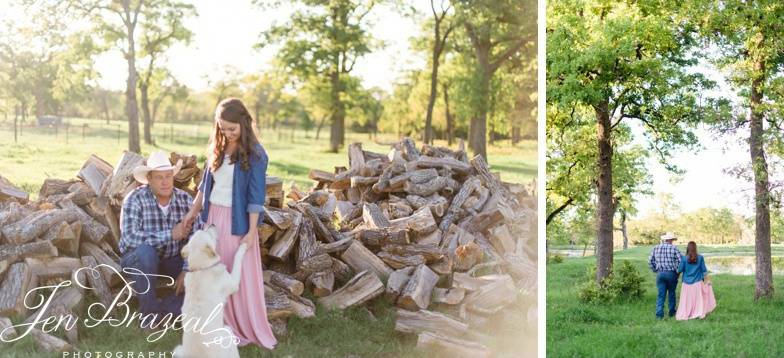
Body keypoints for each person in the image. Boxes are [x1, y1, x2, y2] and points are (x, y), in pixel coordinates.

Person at [183, 98, 277, 349]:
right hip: (212, 217)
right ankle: (217, 324)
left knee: (236, 274)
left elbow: (256, 196)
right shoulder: (218, 148)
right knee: (214, 272)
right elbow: (205, 186)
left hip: (237, 222)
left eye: (232, 129)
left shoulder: (256, 155)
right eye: (222, 128)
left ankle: (242, 326)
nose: (226, 133)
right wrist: (193, 212)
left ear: (244, 124)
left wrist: (251, 231)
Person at [119, 151, 193, 320]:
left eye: (168, 176)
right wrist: (169, 235)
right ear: (149, 179)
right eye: (159, 177)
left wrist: (187, 268)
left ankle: (164, 309)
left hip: (171, 259)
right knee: (146, 252)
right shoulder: (135, 198)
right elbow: (129, 239)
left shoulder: (184, 199)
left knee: (202, 275)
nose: (165, 182)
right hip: (137, 260)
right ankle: (149, 316)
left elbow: (195, 238)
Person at [676, 241, 717, 320]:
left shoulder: (684, 258)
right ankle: (697, 311)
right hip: (697, 283)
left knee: (686, 300)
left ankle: (688, 312)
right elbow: (704, 271)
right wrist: (707, 280)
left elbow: (679, 270)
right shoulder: (700, 257)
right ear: (695, 248)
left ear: (688, 248)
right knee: (697, 299)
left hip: (686, 284)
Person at [648, 232, 682, 319]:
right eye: (672, 240)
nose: (673, 242)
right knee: (671, 293)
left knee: (661, 294)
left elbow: (650, 261)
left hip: (660, 273)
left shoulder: (656, 248)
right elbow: (680, 261)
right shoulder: (674, 248)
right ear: (670, 240)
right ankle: (671, 312)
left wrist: (655, 270)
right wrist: (677, 271)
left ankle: (659, 314)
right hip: (671, 273)